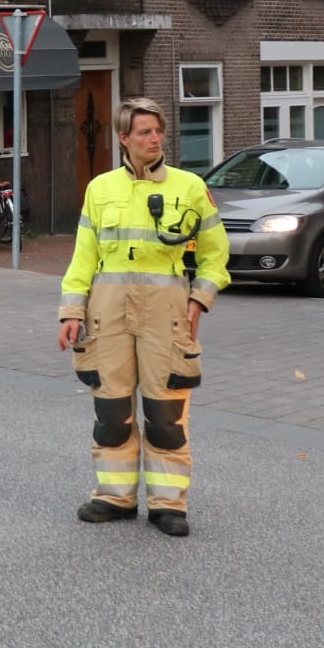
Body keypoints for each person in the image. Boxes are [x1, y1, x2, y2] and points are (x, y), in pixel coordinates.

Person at [58, 98, 228, 537]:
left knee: (165, 413)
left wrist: (199, 301)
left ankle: (168, 504)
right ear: (124, 139)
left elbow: (216, 254)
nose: (155, 139)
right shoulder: (100, 189)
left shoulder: (190, 187)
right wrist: (71, 311)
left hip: (166, 317)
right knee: (111, 411)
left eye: (158, 131)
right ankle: (114, 497)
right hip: (107, 315)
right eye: (144, 132)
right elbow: (83, 258)